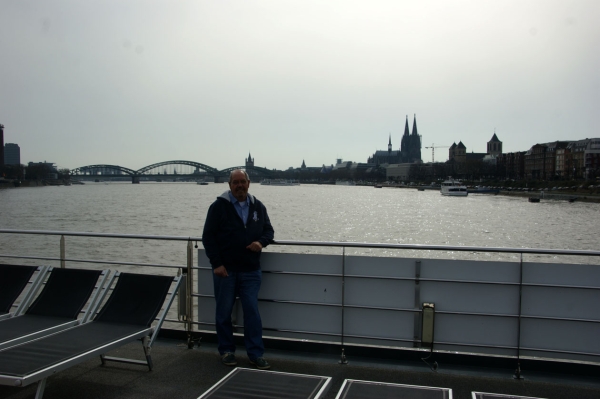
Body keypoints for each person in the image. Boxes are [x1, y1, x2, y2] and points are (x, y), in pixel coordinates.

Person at [202, 169, 274, 370]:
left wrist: (261, 242)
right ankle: (227, 351)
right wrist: (216, 263)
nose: (240, 185)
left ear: (249, 183)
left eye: (243, 182)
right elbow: (208, 237)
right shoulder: (218, 207)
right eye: (236, 182)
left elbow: (269, 230)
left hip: (250, 270)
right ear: (229, 185)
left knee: (252, 312)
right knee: (223, 313)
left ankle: (255, 354)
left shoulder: (258, 206)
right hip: (225, 270)